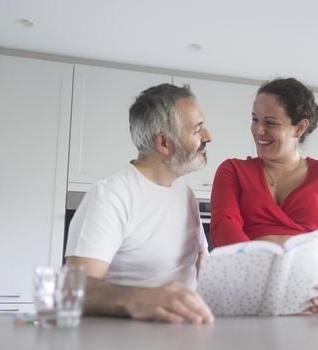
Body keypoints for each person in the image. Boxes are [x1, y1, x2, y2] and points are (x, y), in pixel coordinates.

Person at [210, 77, 318, 316]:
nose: (258, 130)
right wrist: (262, 275)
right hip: (248, 294)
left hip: (312, 302)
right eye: (255, 120)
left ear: (300, 128)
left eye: (270, 123)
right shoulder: (232, 170)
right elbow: (224, 226)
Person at [65, 83, 214, 324]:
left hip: (187, 332)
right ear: (164, 143)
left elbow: (199, 258)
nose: (208, 137)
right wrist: (142, 299)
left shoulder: (184, 191)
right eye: (197, 130)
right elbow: (73, 290)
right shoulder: (111, 195)